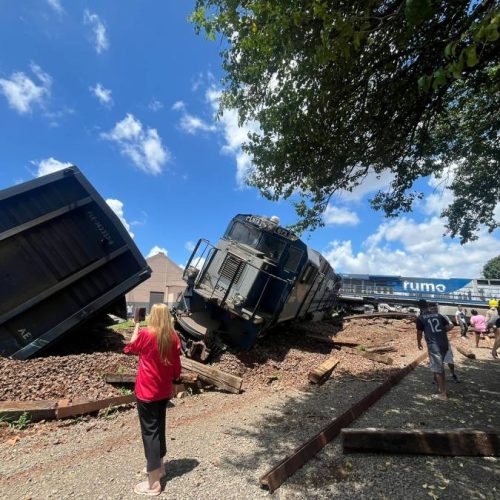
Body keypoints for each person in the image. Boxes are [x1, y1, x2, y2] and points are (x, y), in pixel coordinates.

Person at [124, 304, 182, 496]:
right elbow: (176, 367)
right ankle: (161, 467)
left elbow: (130, 348)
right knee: (159, 426)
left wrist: (136, 326)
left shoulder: (146, 334)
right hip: (164, 391)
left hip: (147, 392)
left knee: (150, 433)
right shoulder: (173, 337)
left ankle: (153, 483)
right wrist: (174, 383)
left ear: (152, 316)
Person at [416, 300, 455, 401]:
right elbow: (448, 326)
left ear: (420, 308)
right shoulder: (438, 315)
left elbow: (419, 333)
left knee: (438, 369)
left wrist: (419, 342)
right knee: (440, 367)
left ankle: (443, 394)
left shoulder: (420, 318)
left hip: (434, 345)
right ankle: (440, 388)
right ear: (428, 306)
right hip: (444, 343)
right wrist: (440, 332)